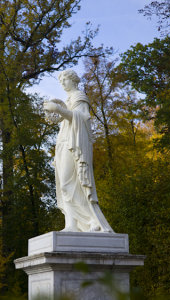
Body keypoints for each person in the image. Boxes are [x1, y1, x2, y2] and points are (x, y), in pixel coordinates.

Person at [43, 70, 113, 232]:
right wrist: (59, 110)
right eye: (61, 81)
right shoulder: (68, 100)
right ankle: (71, 224)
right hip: (63, 142)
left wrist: (59, 110)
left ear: (73, 81)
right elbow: (67, 118)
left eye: (65, 80)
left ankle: (91, 221)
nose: (62, 83)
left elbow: (82, 118)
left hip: (74, 144)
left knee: (71, 183)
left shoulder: (79, 97)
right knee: (63, 184)